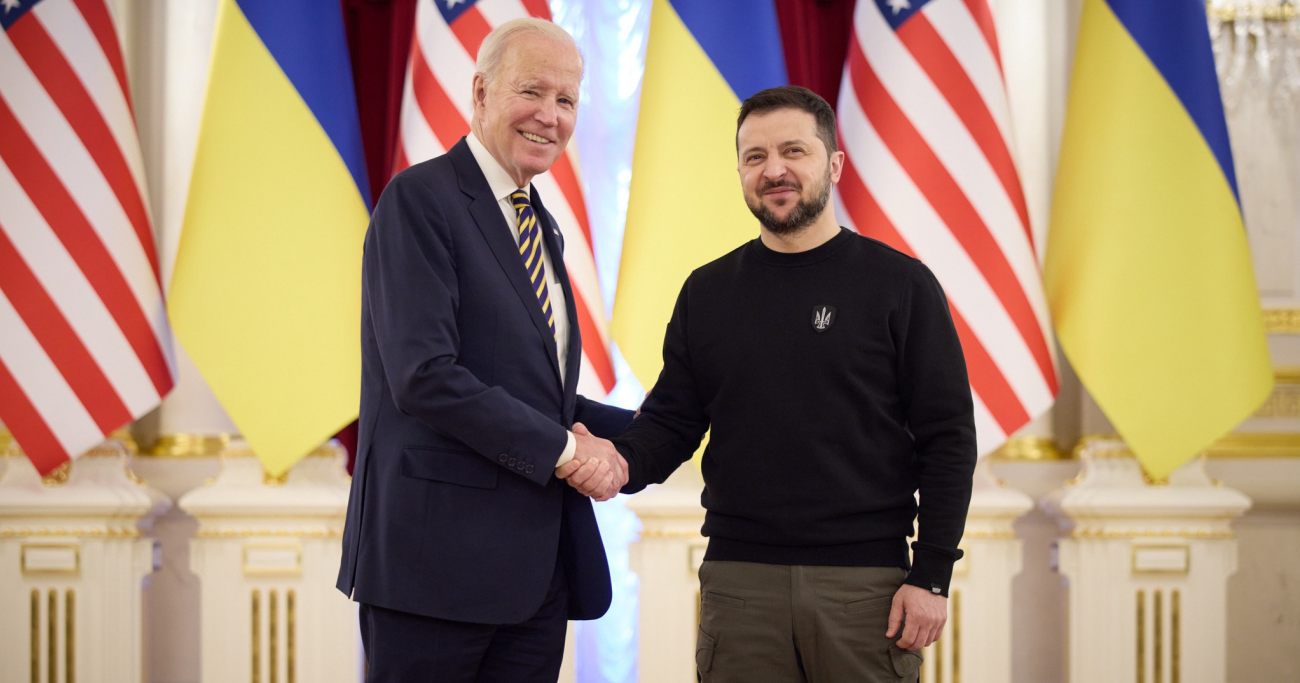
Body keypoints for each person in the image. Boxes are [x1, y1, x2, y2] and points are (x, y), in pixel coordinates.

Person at [612, 86, 977, 683]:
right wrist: (613, 462)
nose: (773, 170)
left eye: (793, 151)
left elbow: (949, 438)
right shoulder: (707, 293)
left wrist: (932, 574)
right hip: (739, 585)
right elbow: (673, 422)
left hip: (868, 589)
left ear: (834, 164)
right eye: (754, 156)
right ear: (739, 171)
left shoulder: (901, 285)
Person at [336, 18, 631, 682]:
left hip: (534, 579)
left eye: (567, 99)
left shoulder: (541, 224)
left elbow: (537, 394)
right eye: (533, 91)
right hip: (432, 574)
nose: (551, 115)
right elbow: (426, 375)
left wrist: (660, 428)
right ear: (480, 92)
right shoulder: (420, 200)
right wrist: (569, 453)